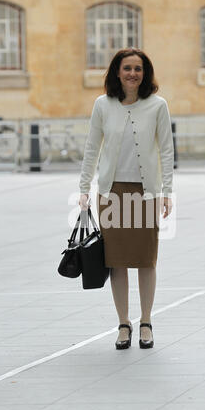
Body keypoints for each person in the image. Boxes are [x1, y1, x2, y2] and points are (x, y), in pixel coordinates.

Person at [78, 47, 174, 350]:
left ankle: (146, 321)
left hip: (145, 194)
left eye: (138, 68)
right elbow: (92, 148)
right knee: (116, 262)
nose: (133, 73)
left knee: (146, 261)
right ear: (117, 72)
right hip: (112, 194)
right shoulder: (102, 105)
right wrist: (83, 188)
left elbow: (167, 150)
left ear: (145, 74)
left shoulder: (158, 106)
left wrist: (166, 192)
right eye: (127, 68)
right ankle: (123, 323)